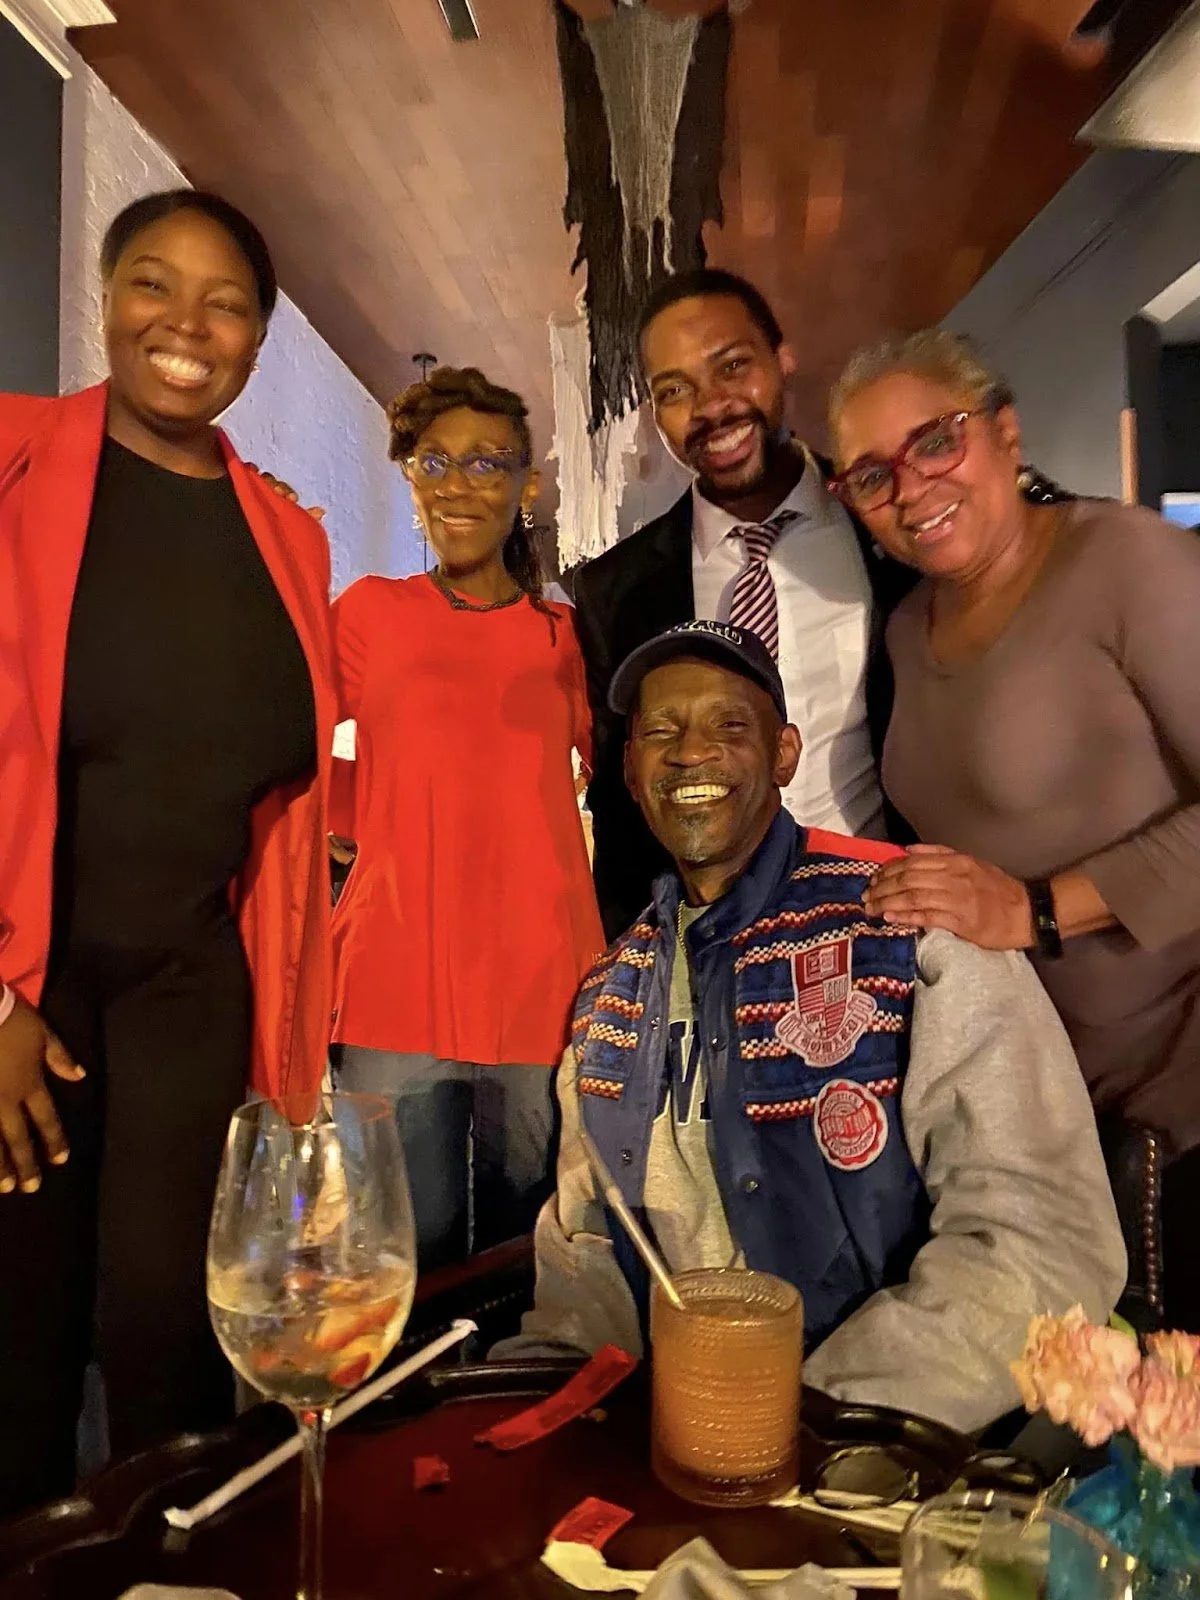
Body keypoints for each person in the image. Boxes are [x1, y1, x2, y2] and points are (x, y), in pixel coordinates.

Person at [502, 620, 1124, 1434]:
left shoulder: (909, 924)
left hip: (884, 1458)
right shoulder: (607, 997)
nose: (692, 753)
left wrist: (815, 1419)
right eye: (661, 731)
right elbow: (585, 1249)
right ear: (630, 770)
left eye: (730, 725)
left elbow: (1042, 1240)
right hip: (662, 1459)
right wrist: (549, 1416)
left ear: (785, 755)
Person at [0, 189, 337, 1515]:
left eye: (227, 303)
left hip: (192, 986)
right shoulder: (13, 458)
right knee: (17, 1338)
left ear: (257, 338)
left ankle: (166, 1570)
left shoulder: (289, 536)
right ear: (104, 294)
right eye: (154, 284)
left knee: (172, 1332)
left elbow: (288, 805)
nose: (186, 326)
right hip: (32, 982)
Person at [828, 329, 1200, 1335]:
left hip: (1171, 1099)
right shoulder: (909, 628)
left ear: (1004, 430)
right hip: (1026, 1104)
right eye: (871, 475)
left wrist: (1036, 909)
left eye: (936, 441)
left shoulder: (1127, 559)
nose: (911, 487)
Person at [330, 367, 604, 1272]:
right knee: (407, 1252)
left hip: (542, 981)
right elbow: (280, 742)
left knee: (536, 1254)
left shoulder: (563, 640)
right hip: (393, 979)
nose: (457, 484)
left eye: (487, 463)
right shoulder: (372, 612)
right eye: (433, 462)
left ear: (527, 484)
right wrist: (361, 820)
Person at [571, 269, 918, 942]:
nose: (712, 406)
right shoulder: (616, 590)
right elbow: (619, 799)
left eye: (732, 366)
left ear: (782, 359)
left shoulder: (889, 530)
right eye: (675, 390)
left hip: (886, 920)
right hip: (710, 944)